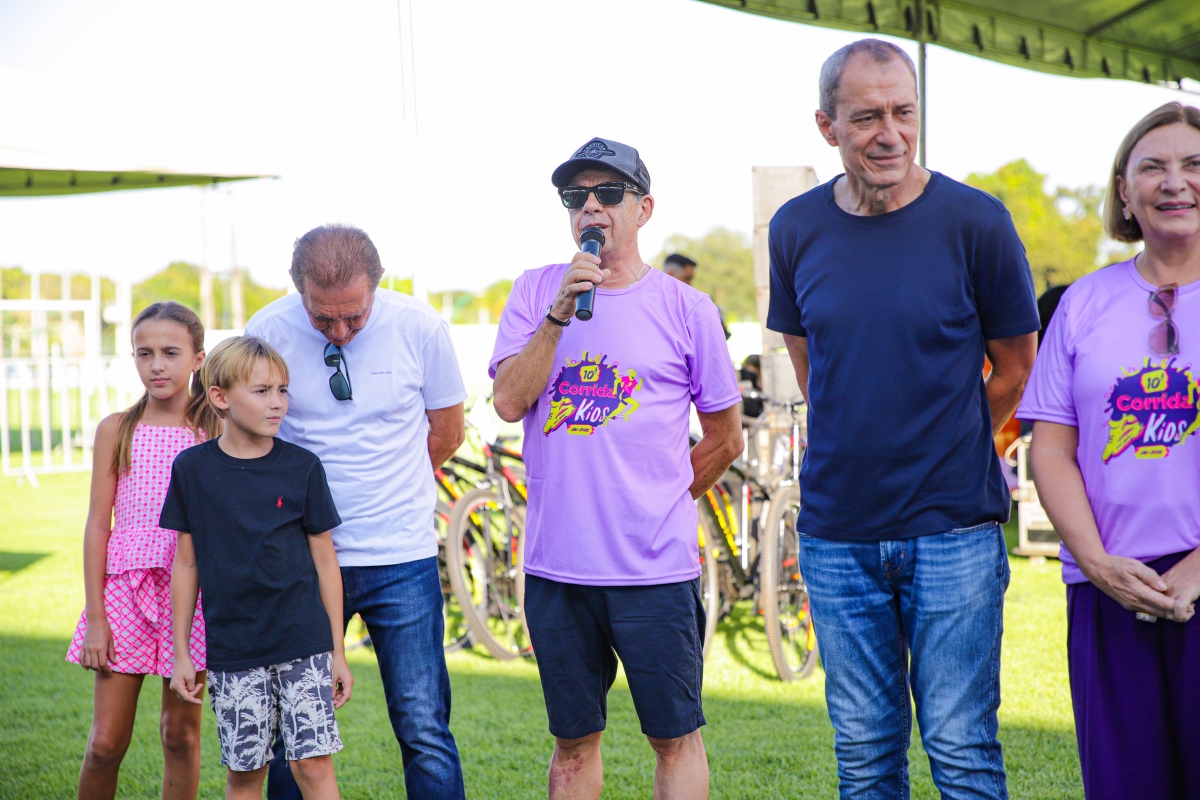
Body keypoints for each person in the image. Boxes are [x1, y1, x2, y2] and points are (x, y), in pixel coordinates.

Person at [766, 39, 1039, 797]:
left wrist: (951, 438)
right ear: (827, 126)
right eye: (866, 118)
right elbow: (813, 368)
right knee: (863, 755)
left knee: (961, 749)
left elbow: (1016, 366)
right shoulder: (794, 228)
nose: (890, 134)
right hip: (837, 534)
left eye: (904, 113)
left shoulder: (976, 221)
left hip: (954, 529)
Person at [490, 137, 743, 800]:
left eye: (608, 193)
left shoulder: (687, 309)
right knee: (573, 744)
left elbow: (726, 438)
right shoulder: (536, 291)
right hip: (558, 570)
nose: (591, 207)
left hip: (654, 572)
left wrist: (662, 499)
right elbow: (509, 402)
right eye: (575, 196)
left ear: (644, 208)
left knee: (675, 739)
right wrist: (558, 316)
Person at [244, 224, 467, 799]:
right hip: (301, 559)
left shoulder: (419, 327)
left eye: (353, 316)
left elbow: (447, 432)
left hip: (403, 556)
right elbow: (251, 440)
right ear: (297, 287)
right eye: (322, 318)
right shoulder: (267, 330)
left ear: (377, 285)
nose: (339, 331)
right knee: (294, 729)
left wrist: (391, 488)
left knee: (423, 726)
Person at [1020, 102, 1200, 799]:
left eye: (1193, 164)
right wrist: (1095, 563)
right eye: (1152, 167)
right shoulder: (1083, 302)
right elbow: (1051, 448)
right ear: (1124, 192)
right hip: (1108, 588)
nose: (1174, 181)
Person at [166, 336, 350, 800]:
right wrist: (182, 652)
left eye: (282, 390)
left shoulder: (303, 467)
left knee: (313, 766)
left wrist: (337, 652)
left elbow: (325, 560)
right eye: (262, 391)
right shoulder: (191, 469)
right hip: (233, 649)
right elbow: (186, 563)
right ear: (220, 397)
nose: (277, 402)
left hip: (304, 642)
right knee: (245, 776)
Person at [67, 301, 219, 800]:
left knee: (180, 735)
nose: (156, 365)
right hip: (124, 594)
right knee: (105, 743)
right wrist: (96, 618)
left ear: (198, 358)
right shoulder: (117, 428)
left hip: (192, 593)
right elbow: (98, 525)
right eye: (144, 353)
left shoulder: (216, 428)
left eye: (171, 353)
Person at [663, 253, 732, 340]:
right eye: (687, 278)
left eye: (691, 279)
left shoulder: (695, 304)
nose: (690, 284)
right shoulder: (653, 304)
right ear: (670, 274)